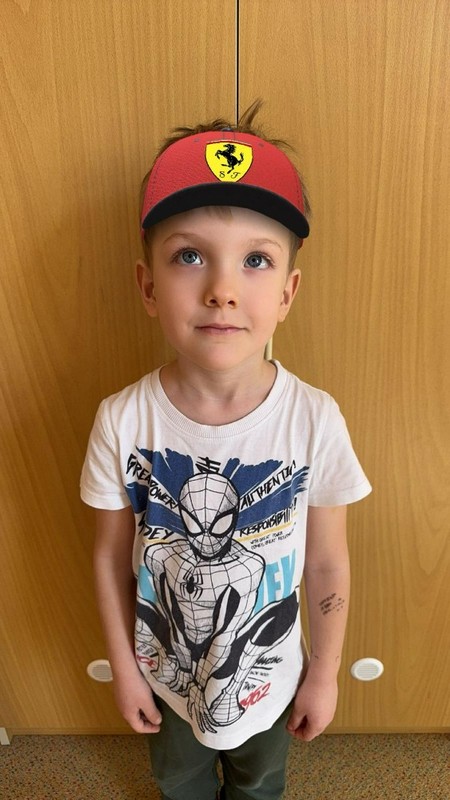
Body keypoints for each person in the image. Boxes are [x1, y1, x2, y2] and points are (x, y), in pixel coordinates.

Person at [80, 102, 372, 800]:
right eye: (190, 256)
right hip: (163, 678)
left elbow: (326, 561)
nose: (222, 290)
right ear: (148, 286)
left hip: (270, 682)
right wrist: (125, 668)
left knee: (260, 782)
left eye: (255, 260)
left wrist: (324, 673)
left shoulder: (314, 419)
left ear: (288, 292)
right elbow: (111, 557)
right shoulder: (121, 421)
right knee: (177, 779)